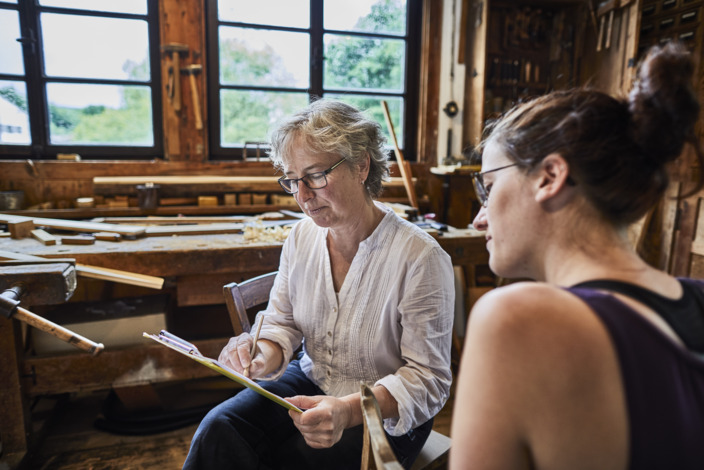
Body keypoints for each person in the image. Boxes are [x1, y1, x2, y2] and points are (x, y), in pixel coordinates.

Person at [450, 41, 704, 470]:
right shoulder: (698, 297)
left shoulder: (516, 320)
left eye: (488, 189)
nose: (479, 219)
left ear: (549, 176)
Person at [183, 99, 455, 470]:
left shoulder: (420, 257)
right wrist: (259, 355)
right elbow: (282, 322)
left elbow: (430, 380)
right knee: (219, 429)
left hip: (385, 411)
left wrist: (346, 410)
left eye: (315, 176)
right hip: (313, 378)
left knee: (294, 460)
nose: (303, 195)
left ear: (361, 166)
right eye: (293, 180)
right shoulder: (301, 237)